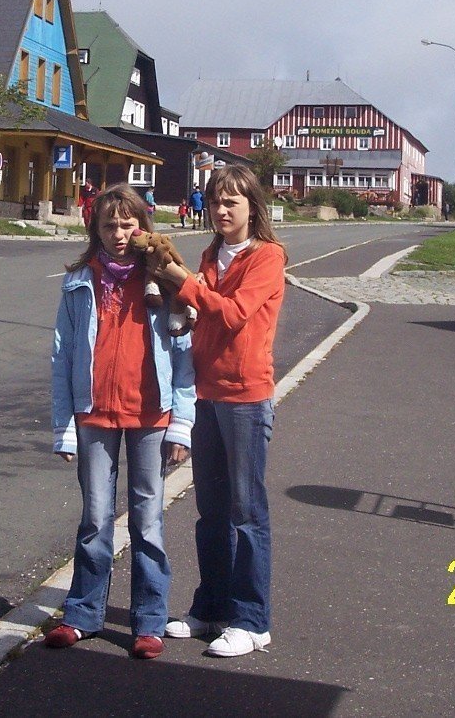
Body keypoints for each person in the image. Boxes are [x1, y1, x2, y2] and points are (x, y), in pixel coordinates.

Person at [48, 184, 195, 660]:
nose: (119, 233)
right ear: (96, 229)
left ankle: (149, 622)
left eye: (128, 224)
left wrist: (181, 424)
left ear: (143, 228)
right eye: (109, 225)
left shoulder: (164, 281)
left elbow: (184, 353)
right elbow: (63, 355)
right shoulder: (79, 283)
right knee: (94, 519)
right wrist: (64, 425)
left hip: (151, 414)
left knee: (147, 521)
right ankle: (83, 614)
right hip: (94, 415)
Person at [148, 165, 286, 658]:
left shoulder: (267, 257)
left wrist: (183, 282)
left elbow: (230, 314)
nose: (223, 210)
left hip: (246, 397)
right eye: (216, 201)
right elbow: (198, 314)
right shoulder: (209, 254)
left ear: (253, 207)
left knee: (247, 513)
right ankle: (212, 608)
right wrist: (178, 307)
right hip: (205, 394)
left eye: (233, 202)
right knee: (210, 512)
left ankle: (253, 620)